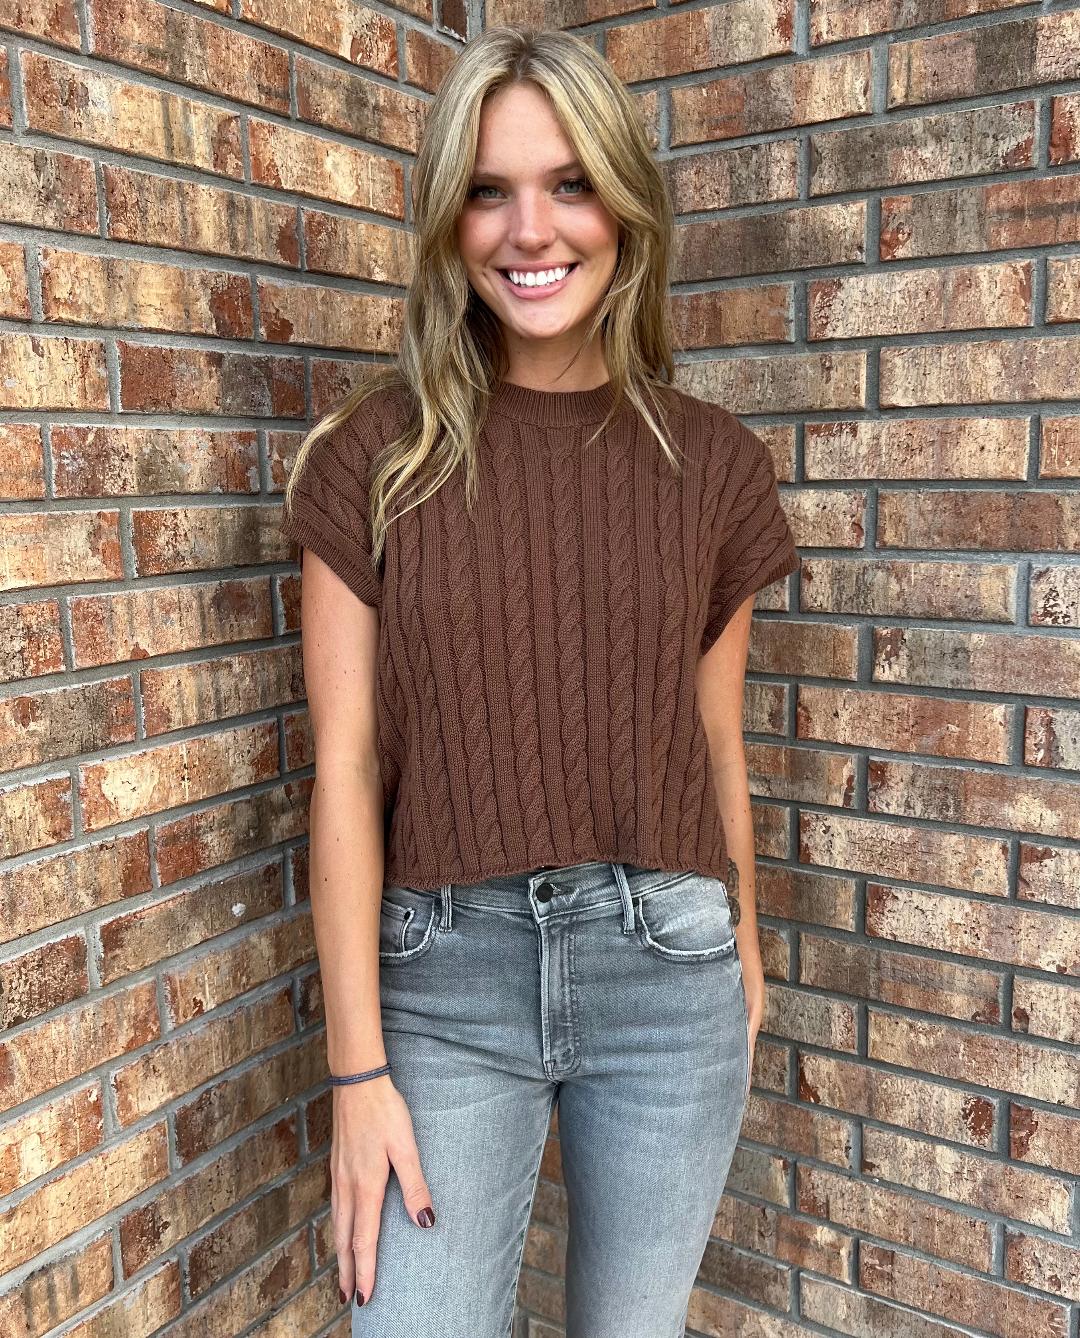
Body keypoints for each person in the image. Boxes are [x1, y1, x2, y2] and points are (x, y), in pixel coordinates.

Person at [280, 23, 800, 1338]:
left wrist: (743, 944)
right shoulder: (371, 459)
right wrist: (356, 1073)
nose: (530, 230)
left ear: (623, 205)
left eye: (570, 184)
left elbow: (711, 741)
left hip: (668, 972)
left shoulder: (714, 468)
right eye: (488, 191)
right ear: (447, 220)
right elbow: (345, 767)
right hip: (441, 987)